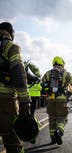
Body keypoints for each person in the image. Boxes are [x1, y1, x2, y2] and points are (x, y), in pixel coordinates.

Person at [0, 22, 31, 153]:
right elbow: (19, 74)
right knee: (12, 140)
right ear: (10, 33)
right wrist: (24, 101)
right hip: (5, 100)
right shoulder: (11, 47)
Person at [42, 56, 72, 145]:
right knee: (62, 118)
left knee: (52, 119)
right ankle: (59, 131)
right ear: (62, 64)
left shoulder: (48, 73)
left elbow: (42, 81)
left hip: (50, 99)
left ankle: (53, 139)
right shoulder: (65, 73)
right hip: (61, 99)